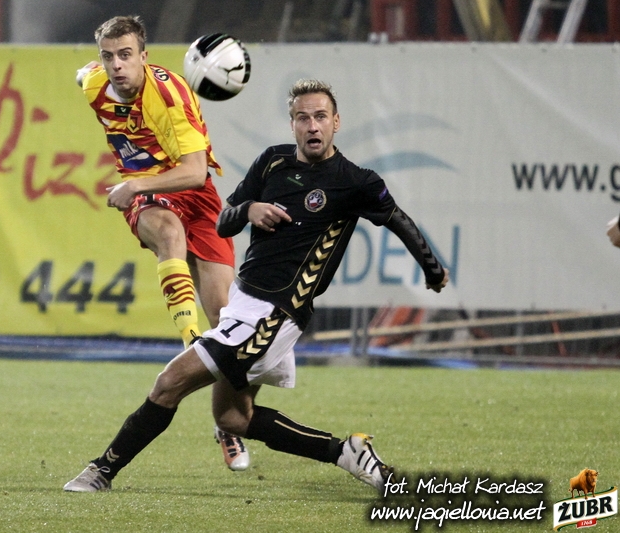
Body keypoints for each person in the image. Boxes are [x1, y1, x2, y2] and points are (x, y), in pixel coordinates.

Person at [63, 78, 450, 494]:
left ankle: (102, 470)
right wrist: (250, 209)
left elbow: (398, 219)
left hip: (275, 313)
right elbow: (223, 221)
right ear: (292, 124)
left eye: (321, 117)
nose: (313, 126)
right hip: (242, 302)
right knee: (233, 418)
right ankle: (348, 453)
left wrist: (432, 270)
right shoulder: (272, 162)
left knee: (169, 382)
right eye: (303, 118)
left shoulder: (355, 181)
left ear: (336, 122)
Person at [76, 15, 249, 471]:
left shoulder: (170, 96)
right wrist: (137, 188)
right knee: (168, 232)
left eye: (126, 55)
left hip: (195, 193)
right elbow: (83, 74)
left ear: (144, 57)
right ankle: (191, 340)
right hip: (149, 196)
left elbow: (194, 171)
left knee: (229, 322)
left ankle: (228, 425)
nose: (117, 65)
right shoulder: (94, 82)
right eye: (108, 57)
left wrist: (132, 185)